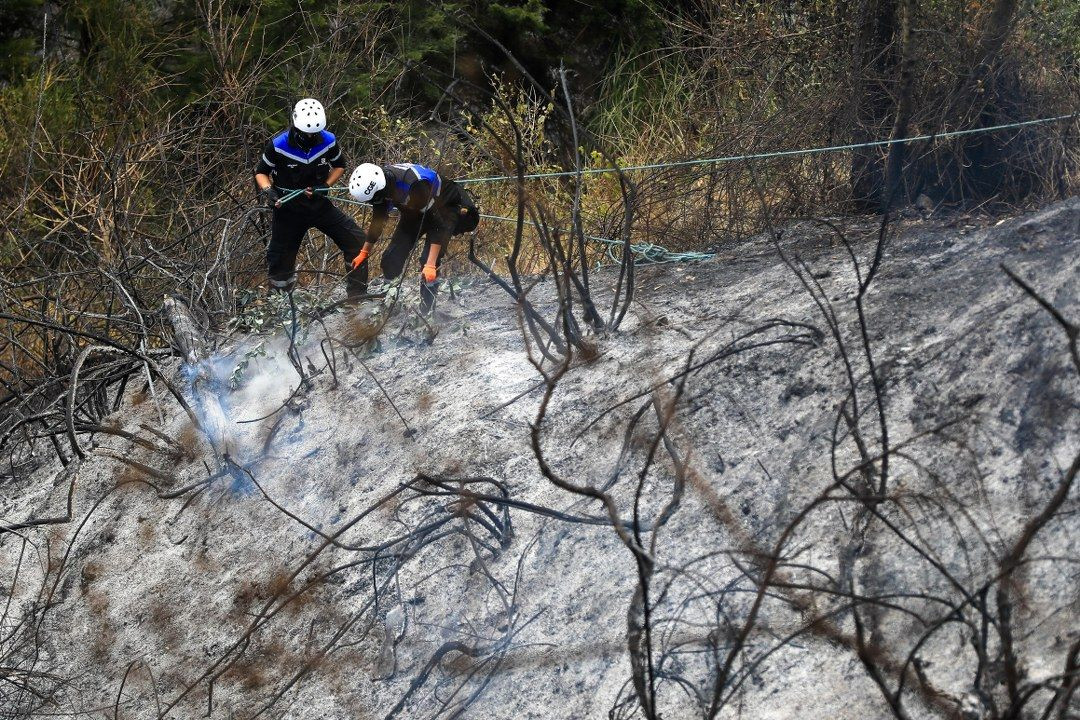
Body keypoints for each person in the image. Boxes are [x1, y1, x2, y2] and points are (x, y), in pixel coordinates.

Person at [253, 98, 367, 299]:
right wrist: (268, 190)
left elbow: (339, 165)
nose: (311, 137)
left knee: (356, 240)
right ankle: (280, 304)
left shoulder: (328, 140)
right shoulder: (278, 145)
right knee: (279, 259)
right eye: (307, 133)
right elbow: (261, 172)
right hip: (288, 211)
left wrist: (325, 186)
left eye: (314, 133)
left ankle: (356, 297)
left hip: (319, 205)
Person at [347, 162, 479, 313]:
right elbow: (379, 219)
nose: (373, 202)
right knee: (391, 258)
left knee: (428, 262)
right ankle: (390, 303)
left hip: (446, 207)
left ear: (380, 189)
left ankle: (426, 312)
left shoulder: (414, 184)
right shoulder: (381, 187)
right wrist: (364, 252)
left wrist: (430, 264)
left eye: (373, 199)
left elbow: (437, 224)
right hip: (416, 210)